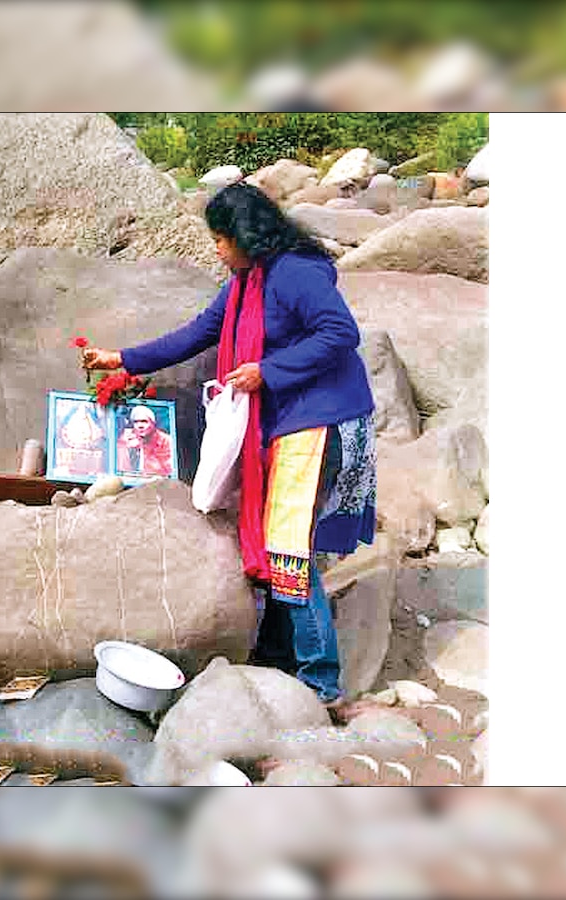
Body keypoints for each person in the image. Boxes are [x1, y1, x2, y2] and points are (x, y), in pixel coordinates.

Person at [82, 183, 376, 714]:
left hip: (316, 421)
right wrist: (122, 359)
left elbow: (339, 332)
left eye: (220, 239)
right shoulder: (246, 281)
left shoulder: (294, 273)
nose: (216, 249)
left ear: (246, 236)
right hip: (286, 421)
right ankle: (279, 657)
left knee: (289, 547)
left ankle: (321, 683)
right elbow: (199, 332)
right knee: (276, 542)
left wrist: (268, 370)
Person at [116, 405, 173, 476]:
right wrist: (131, 451)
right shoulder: (126, 438)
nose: (140, 426)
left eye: (144, 421)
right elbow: (121, 471)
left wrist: (141, 449)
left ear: (153, 423)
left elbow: (166, 472)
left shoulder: (165, 440)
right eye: (136, 422)